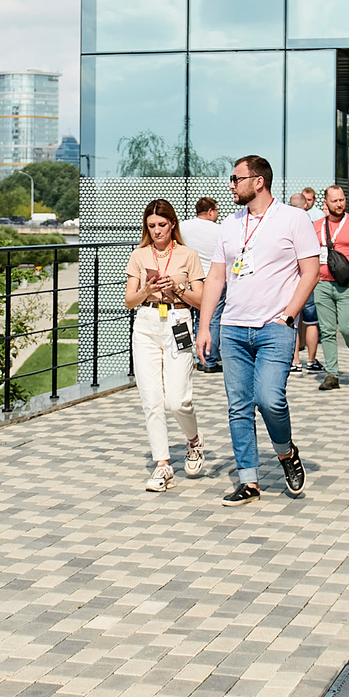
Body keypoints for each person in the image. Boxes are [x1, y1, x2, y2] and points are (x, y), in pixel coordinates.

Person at [196, 155, 321, 503]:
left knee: (270, 399)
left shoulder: (294, 219)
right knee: (239, 406)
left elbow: (310, 271)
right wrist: (206, 326)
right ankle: (248, 481)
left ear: (258, 181)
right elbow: (216, 276)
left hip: (275, 326)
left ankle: (286, 453)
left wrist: (289, 315)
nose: (231, 185)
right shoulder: (230, 224)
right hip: (234, 328)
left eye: (236, 179)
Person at [125, 199, 205, 490]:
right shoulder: (139, 255)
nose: (157, 231)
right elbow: (129, 301)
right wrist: (146, 290)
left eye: (161, 225)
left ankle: (194, 440)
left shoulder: (188, 255)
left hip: (178, 321)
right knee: (151, 400)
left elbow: (201, 299)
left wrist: (178, 288)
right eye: (151, 226)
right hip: (146, 324)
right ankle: (163, 465)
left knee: (177, 400)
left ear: (172, 224)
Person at [312, 184, 349, 389]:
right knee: (327, 331)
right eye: (335, 200)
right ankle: (332, 374)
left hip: (347, 285)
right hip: (322, 284)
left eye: (342, 200)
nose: (339, 204)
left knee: (348, 328)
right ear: (326, 203)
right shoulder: (317, 225)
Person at [182, 198, 225, 373]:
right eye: (216, 211)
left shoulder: (184, 227)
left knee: (191, 317)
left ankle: (193, 354)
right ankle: (209, 359)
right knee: (212, 318)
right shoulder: (220, 230)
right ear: (210, 211)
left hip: (192, 279)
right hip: (214, 278)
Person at [289, 185, 323, 374]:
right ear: (305, 206)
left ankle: (294, 361)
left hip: (289, 280)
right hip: (307, 278)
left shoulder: (283, 223)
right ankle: (311, 361)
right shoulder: (312, 225)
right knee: (311, 321)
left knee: (291, 319)